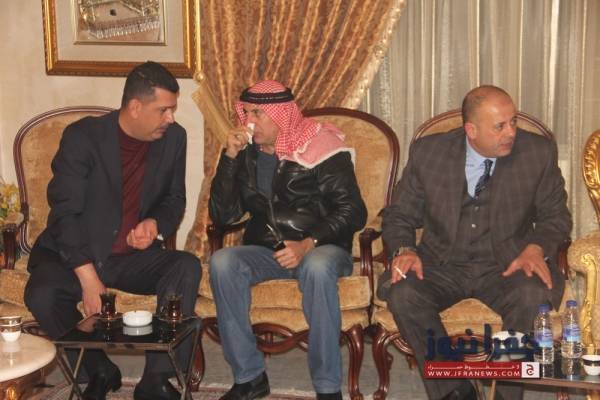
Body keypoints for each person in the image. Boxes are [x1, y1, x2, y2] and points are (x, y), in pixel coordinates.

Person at [379, 85, 572, 400]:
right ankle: (455, 391)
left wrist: (535, 248)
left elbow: (557, 217)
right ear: (471, 130)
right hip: (442, 263)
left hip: (507, 264)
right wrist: (406, 249)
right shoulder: (430, 153)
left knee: (531, 293)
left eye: (513, 122)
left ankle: (505, 393)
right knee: (403, 292)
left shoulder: (537, 152)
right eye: (500, 126)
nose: (511, 132)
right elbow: (399, 214)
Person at [24, 61, 202, 400]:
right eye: (163, 110)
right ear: (135, 107)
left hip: (129, 258)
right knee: (42, 294)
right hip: (76, 254)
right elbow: (65, 213)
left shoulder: (173, 138)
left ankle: (156, 380)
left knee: (186, 267)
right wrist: (87, 277)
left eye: (172, 109)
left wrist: (155, 224)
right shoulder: (83, 137)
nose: (170, 118)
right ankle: (98, 370)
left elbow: (174, 199)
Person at [208, 80, 367, 400]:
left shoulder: (321, 147)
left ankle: (328, 388)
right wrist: (230, 157)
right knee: (222, 261)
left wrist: (308, 244)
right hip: (269, 250)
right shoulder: (246, 154)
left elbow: (353, 211)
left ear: (281, 115)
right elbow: (223, 216)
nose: (249, 121)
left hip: (322, 247)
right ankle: (249, 377)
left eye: (258, 113)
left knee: (317, 267)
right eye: (246, 113)